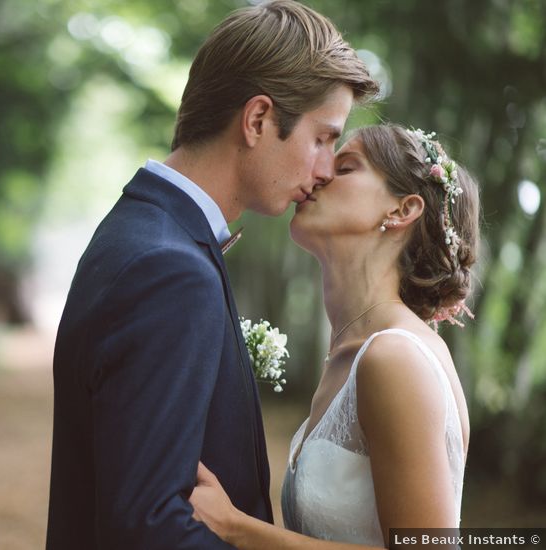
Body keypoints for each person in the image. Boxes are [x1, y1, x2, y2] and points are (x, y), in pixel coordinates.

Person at [45, 1, 378, 548]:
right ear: (257, 120)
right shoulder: (170, 270)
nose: (324, 170)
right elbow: (150, 528)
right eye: (322, 138)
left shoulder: (143, 231)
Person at [189, 124, 480, 548]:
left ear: (402, 210)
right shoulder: (349, 354)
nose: (320, 173)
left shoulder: (394, 358)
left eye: (345, 166)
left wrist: (237, 528)